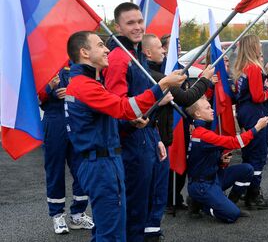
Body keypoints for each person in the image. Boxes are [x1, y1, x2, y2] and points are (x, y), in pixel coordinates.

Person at [64, 31, 185, 241]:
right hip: (101, 164)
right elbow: (125, 107)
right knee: (112, 234)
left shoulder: (87, 82)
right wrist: (163, 85)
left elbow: (112, 117)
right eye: (100, 45)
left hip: (102, 161)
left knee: (108, 228)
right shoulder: (85, 86)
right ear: (84, 52)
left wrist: (130, 123)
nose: (107, 49)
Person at [102, 2, 170, 241]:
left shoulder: (137, 54)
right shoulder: (120, 58)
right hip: (130, 143)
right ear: (117, 27)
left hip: (145, 138)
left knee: (143, 204)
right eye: (130, 23)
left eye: (140, 21)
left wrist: (156, 138)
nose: (137, 27)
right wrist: (133, 125)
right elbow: (116, 106)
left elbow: (145, 105)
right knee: (132, 208)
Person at [141, 34, 215, 216]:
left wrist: (189, 119)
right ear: (148, 53)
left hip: (163, 134)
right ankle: (156, 216)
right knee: (154, 184)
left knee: (162, 178)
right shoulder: (155, 76)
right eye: (160, 47)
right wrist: (204, 79)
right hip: (153, 136)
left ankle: (167, 206)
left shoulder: (163, 72)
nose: (165, 51)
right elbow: (186, 98)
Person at [186, 97, 268, 222]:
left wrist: (221, 160)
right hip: (202, 185)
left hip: (212, 179)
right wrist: (257, 127)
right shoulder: (203, 134)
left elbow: (202, 160)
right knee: (232, 215)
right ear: (198, 114)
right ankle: (203, 205)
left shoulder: (202, 131)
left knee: (247, 169)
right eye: (208, 108)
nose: (212, 110)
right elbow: (236, 142)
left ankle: (229, 202)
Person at [39, 66, 93, 234]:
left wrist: (73, 91)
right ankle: (57, 215)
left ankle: (78, 213)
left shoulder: (77, 63)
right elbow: (37, 98)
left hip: (76, 122)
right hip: (54, 121)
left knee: (82, 169)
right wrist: (50, 88)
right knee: (55, 170)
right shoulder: (45, 63)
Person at [232, 34, 268, 210]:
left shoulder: (241, 68)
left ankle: (245, 190)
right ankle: (253, 195)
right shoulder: (253, 69)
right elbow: (258, 96)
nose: (260, 47)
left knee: (249, 154)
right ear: (253, 47)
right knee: (258, 155)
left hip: (244, 114)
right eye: (258, 44)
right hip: (255, 114)